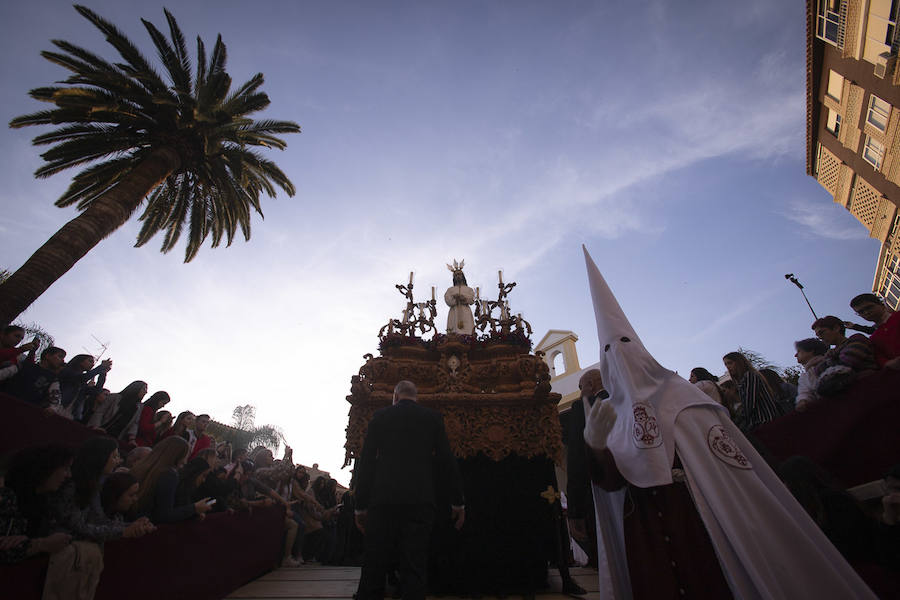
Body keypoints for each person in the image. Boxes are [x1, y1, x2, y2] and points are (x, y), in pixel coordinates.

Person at [580, 246, 876, 599]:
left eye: (625, 344)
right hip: (645, 528)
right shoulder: (610, 414)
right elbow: (611, 483)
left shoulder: (686, 399)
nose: (620, 356)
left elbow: (727, 474)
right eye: (609, 351)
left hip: (700, 520)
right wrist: (597, 447)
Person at [354, 380, 465, 600]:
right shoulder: (432, 418)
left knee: (375, 561)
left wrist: (360, 506)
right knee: (415, 563)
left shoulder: (380, 417)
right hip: (420, 499)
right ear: (417, 397)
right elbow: (446, 461)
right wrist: (458, 501)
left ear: (395, 397)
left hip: (383, 499)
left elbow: (366, 462)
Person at [130, 436, 212, 523]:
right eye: (186, 456)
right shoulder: (169, 475)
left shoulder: (143, 465)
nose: (185, 461)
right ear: (179, 455)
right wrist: (194, 508)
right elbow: (164, 515)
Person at [722, 351, 786, 431]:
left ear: (739, 362)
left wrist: (738, 421)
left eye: (730, 363)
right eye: (726, 364)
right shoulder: (742, 381)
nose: (728, 367)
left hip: (765, 420)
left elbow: (749, 403)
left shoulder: (749, 376)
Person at [2, 346, 66, 411]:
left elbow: (55, 396)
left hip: (24, 412)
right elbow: (4, 373)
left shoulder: (53, 380)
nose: (62, 361)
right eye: (60, 356)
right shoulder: (24, 366)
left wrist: (53, 408)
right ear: (48, 356)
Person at [849, 293, 900, 369]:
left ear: (881, 305)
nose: (866, 312)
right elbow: (880, 359)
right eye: (861, 312)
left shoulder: (898, 316)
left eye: (869, 307)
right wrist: (887, 363)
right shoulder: (874, 339)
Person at [812, 315, 878, 373]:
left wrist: (827, 359)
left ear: (836, 328)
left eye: (821, 332)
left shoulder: (857, 339)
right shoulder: (831, 353)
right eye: (818, 336)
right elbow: (817, 371)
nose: (820, 337)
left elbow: (847, 362)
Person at [57, 354, 111, 421]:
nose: (92, 364)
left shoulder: (83, 385)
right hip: (56, 410)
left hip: (72, 417)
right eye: (90, 361)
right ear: (80, 361)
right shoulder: (67, 372)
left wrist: (103, 373)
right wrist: (101, 367)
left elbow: (96, 390)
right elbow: (82, 378)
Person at [794, 337, 828, 411]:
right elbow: (805, 392)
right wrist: (802, 401)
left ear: (811, 351)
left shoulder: (829, 363)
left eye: (799, 351)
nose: (795, 355)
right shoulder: (805, 376)